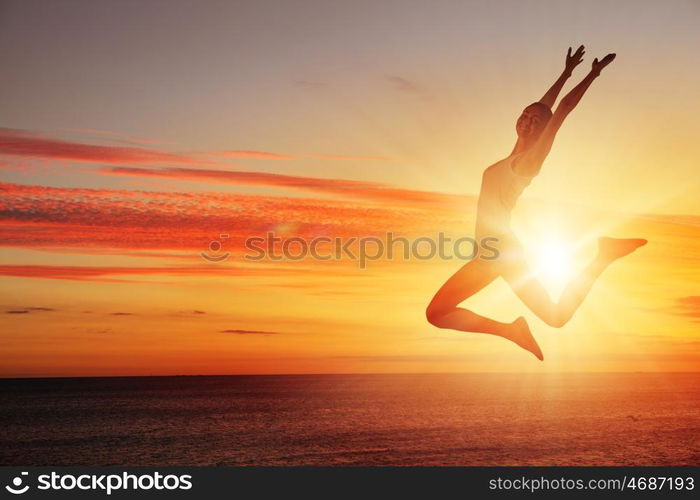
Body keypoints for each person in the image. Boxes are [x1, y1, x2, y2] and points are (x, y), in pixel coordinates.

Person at [425, 45, 647, 360]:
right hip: (495, 251)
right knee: (552, 317)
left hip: (497, 252)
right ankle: (599, 259)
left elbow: (561, 110)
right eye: (524, 116)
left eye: (534, 122)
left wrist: (592, 75)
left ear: (543, 131)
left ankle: (600, 258)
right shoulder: (516, 150)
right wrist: (566, 72)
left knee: (439, 313)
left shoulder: (528, 161)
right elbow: (545, 106)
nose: (527, 122)